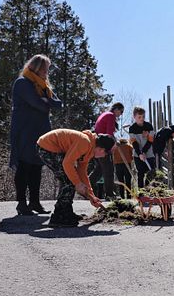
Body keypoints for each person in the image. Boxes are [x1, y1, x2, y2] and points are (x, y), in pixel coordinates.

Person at [9, 54, 62, 215]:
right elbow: (39, 105)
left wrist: (46, 100)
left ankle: (34, 202)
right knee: (24, 165)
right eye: (45, 69)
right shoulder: (22, 83)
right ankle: (21, 203)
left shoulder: (44, 87)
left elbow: (58, 104)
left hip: (40, 131)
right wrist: (46, 102)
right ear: (37, 68)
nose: (47, 73)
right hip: (24, 130)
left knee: (37, 166)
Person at [37, 129, 115, 227]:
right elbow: (67, 163)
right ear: (101, 149)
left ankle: (67, 212)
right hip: (47, 147)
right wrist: (77, 183)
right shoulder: (85, 142)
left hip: (54, 149)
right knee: (70, 181)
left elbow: (82, 173)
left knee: (71, 179)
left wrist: (91, 196)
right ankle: (59, 217)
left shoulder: (89, 149)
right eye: (106, 154)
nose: (104, 156)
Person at [90, 102, 124, 199]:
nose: (120, 115)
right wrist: (115, 144)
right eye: (121, 112)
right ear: (117, 109)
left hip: (97, 143)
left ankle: (86, 187)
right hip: (102, 144)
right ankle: (109, 194)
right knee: (109, 169)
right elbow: (109, 134)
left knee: (99, 169)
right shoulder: (110, 115)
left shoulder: (104, 114)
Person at [128, 107, 156, 188]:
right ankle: (141, 194)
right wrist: (140, 153)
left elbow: (150, 141)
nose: (142, 119)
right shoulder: (132, 128)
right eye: (139, 117)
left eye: (143, 116)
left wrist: (144, 152)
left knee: (149, 173)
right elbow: (134, 142)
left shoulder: (149, 126)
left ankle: (149, 191)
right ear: (134, 117)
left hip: (149, 154)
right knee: (140, 173)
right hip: (137, 155)